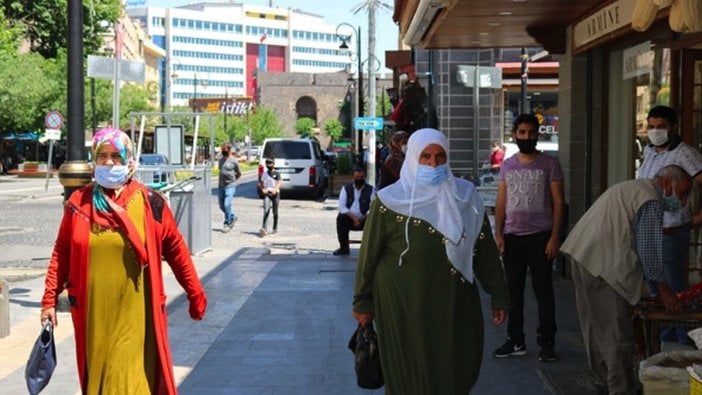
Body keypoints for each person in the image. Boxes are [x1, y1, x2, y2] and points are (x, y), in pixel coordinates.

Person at [39, 128, 207, 394]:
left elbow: (176, 250)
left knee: (130, 379)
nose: (108, 162)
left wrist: (195, 293)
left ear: (130, 160)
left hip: (137, 313)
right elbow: (62, 252)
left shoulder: (151, 202)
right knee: (100, 380)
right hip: (94, 314)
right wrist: (49, 299)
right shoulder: (78, 203)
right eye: (102, 155)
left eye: (116, 156)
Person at [352, 128, 509, 393]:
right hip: (402, 303)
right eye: (425, 156)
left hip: (453, 301)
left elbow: (483, 251)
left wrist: (499, 295)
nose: (433, 164)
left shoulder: (466, 197)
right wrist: (363, 301)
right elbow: (368, 257)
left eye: (440, 156)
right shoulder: (389, 201)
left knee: (454, 367)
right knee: (408, 374)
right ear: (413, 157)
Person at [561, 165, 690, 394]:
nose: (682, 200)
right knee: (616, 333)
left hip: (582, 255)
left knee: (596, 328)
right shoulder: (650, 198)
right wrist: (664, 290)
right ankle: (618, 388)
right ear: (667, 183)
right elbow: (649, 251)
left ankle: (608, 380)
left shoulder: (634, 187)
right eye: (683, 193)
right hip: (602, 264)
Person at [493, 113, 564, 362]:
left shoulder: (550, 164)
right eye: (521, 132)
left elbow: (558, 202)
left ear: (537, 134)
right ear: (514, 135)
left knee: (543, 293)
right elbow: (501, 202)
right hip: (512, 238)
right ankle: (516, 340)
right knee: (514, 293)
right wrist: (498, 234)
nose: (526, 137)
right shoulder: (508, 164)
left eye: (531, 132)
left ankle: (547, 342)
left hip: (541, 237)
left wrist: (555, 238)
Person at [637, 105, 702, 343]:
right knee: (655, 289)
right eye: (652, 127)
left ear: (673, 127)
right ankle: (663, 340)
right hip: (648, 230)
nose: (656, 132)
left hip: (672, 232)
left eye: (661, 127)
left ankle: (683, 344)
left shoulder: (686, 154)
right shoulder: (650, 151)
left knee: (674, 293)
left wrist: (696, 219)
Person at [333, 167, 375, 256]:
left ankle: (369, 248)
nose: (359, 179)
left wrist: (362, 218)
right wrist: (354, 218)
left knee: (374, 219)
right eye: (357, 177)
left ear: (364, 177)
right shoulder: (346, 188)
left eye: (361, 177)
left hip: (365, 219)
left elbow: (372, 207)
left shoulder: (371, 190)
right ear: (353, 177)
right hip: (349, 218)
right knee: (341, 218)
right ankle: (344, 248)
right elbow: (342, 207)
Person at [218, 143, 241, 233]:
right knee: (222, 206)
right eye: (223, 151)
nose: (223, 152)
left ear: (229, 151)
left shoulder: (234, 161)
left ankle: (227, 223)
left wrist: (234, 181)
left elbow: (239, 173)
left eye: (225, 151)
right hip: (221, 186)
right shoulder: (221, 161)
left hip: (230, 186)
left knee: (227, 205)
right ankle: (232, 217)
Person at [259, 157, 282, 236]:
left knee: (275, 212)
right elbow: (261, 182)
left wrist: (275, 189)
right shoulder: (265, 173)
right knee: (266, 210)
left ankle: (275, 228)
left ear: (273, 164)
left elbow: (279, 182)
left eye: (270, 163)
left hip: (275, 194)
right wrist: (263, 189)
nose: (269, 165)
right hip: (267, 194)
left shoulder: (277, 173)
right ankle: (264, 228)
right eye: (267, 163)